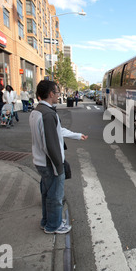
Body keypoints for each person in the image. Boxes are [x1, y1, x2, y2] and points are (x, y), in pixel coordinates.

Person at [29, 80, 88, 234]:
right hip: (50, 163)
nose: (58, 95)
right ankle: (53, 226)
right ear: (50, 94)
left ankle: (47, 221)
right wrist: (58, 167)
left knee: (47, 194)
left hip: (41, 161)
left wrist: (76, 135)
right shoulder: (48, 114)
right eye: (57, 92)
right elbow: (50, 144)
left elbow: (57, 131)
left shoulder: (38, 111)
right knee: (55, 197)